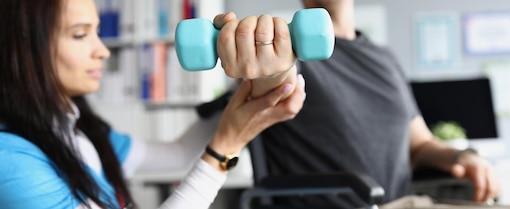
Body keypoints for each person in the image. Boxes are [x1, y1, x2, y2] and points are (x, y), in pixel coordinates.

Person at [0, 0, 304, 208]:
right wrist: (227, 144)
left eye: (97, 32)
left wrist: (244, 82)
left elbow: (179, 154)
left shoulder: (79, 134)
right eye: (80, 35)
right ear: (23, 49)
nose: (103, 51)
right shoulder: (10, 160)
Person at [208, 0, 501, 208]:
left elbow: (421, 144)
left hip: (407, 203)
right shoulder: (290, 52)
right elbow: (273, 84)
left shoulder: (385, 58)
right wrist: (273, 66)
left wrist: (462, 156)